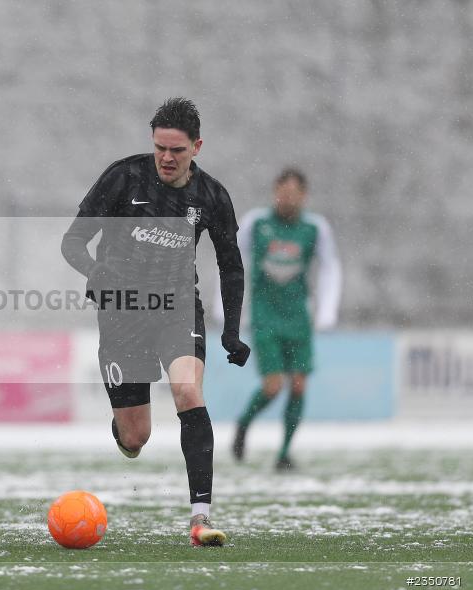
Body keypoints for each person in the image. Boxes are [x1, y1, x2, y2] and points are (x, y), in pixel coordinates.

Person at [62, 97, 250, 547]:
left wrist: (230, 329)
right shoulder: (123, 177)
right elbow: (72, 242)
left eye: (177, 150)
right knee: (136, 436)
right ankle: (123, 430)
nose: (166, 158)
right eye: (160, 148)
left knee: (188, 390)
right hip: (122, 315)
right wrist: (96, 274)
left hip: (177, 308)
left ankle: (200, 518)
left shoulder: (211, 197)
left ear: (197, 148)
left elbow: (231, 265)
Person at [219, 168, 342, 471]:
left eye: (293, 192)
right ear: (275, 191)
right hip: (265, 317)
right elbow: (234, 261)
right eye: (282, 191)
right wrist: (227, 307)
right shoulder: (256, 223)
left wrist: (327, 310)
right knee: (273, 385)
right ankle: (243, 425)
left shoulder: (315, 228)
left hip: (298, 317)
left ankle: (284, 454)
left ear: (304, 195)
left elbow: (330, 267)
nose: (287, 198)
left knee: (299, 385)